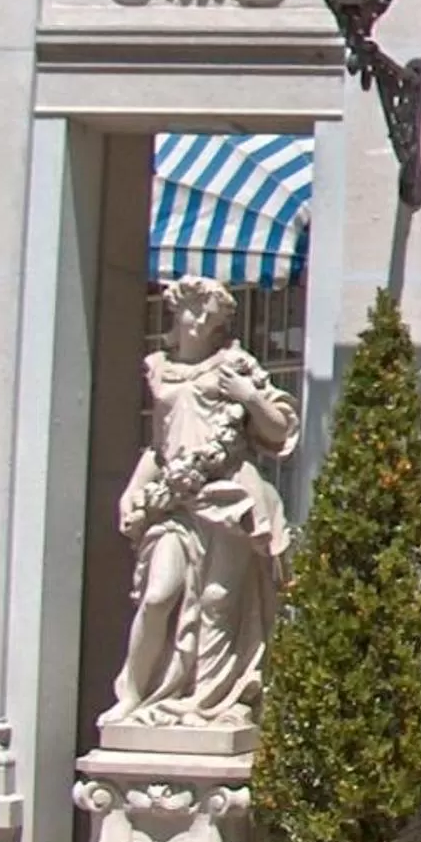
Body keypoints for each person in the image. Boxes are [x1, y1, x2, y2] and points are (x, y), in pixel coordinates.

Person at [103, 276, 299, 729]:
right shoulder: (160, 368)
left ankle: (206, 703)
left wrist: (250, 398)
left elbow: (279, 431)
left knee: (216, 600)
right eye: (190, 311)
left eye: (206, 315)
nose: (196, 322)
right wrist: (135, 489)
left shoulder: (235, 366)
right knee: (157, 597)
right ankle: (132, 694)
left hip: (228, 498)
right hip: (176, 501)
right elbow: (159, 446)